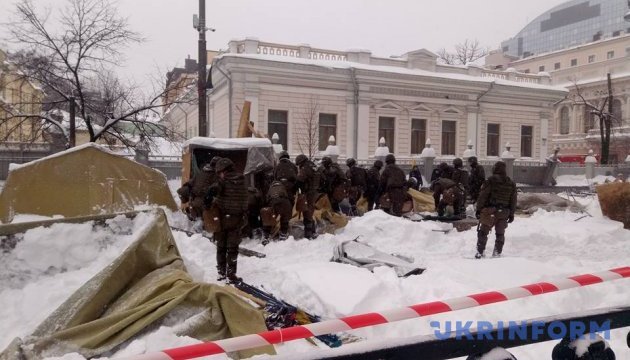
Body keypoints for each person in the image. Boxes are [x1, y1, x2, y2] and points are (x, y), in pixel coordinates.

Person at [208, 158, 248, 282]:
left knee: (221, 247)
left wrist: (208, 203)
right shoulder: (242, 181)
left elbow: (212, 191)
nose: (219, 174)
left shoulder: (222, 182)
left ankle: (221, 273)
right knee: (232, 248)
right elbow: (246, 200)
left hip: (223, 219)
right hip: (237, 219)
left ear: (223, 171)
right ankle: (231, 273)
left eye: (219, 172)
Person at [475, 161, 517, 259]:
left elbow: (483, 196)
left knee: (483, 232)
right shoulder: (511, 183)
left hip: (490, 211)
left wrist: (479, 209)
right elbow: (513, 200)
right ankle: (497, 253)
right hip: (504, 212)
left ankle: (480, 252)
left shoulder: (490, 180)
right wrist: (511, 213)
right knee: (500, 233)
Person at [177, 156, 220, 221]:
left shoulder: (200, 173)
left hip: (194, 204)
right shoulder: (216, 176)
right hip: (205, 206)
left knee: (196, 223)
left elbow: (188, 185)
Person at [296, 154, 321, 239]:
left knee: (306, 212)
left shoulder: (305, 168)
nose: (299, 166)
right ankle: (312, 231)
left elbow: (300, 179)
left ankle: (308, 233)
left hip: (308, 192)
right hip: (314, 191)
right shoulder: (313, 166)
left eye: (299, 164)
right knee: (310, 211)